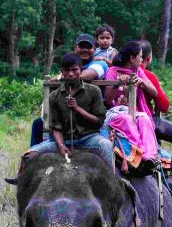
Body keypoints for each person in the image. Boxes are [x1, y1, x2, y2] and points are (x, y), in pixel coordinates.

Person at [6, 53, 113, 184]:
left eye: (75, 70)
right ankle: (23, 182)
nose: (71, 74)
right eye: (67, 70)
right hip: (64, 140)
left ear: (81, 70)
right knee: (28, 155)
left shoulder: (93, 91)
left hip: (89, 138)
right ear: (62, 72)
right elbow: (56, 127)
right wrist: (61, 145)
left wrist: (78, 109)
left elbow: (99, 121)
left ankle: (112, 181)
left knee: (106, 145)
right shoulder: (54, 96)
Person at [30, 33, 109, 147]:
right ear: (75, 48)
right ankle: (35, 160)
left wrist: (64, 76)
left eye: (89, 47)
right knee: (38, 124)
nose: (85, 50)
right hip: (65, 113)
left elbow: (89, 74)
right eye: (82, 46)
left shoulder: (100, 64)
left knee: (105, 144)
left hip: (91, 110)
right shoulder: (67, 65)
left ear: (94, 49)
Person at [138, 39, 172, 202]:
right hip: (146, 120)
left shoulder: (114, 71)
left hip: (116, 118)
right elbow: (164, 105)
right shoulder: (147, 75)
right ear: (149, 57)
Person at [104, 41, 159, 165]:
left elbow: (155, 92)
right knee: (127, 119)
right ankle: (137, 154)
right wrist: (117, 84)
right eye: (139, 56)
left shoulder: (138, 71)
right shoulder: (113, 71)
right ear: (132, 58)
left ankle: (149, 157)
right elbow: (108, 99)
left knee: (144, 118)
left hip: (134, 111)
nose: (141, 59)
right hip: (116, 113)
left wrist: (142, 82)